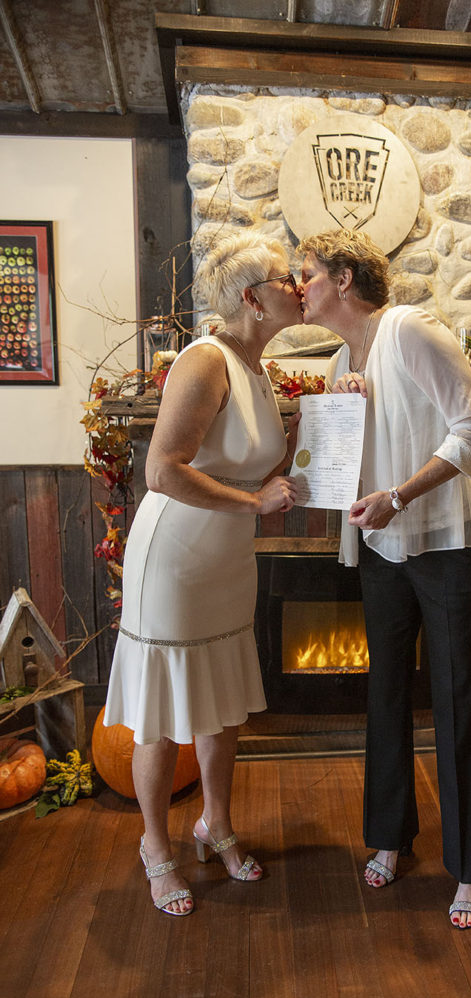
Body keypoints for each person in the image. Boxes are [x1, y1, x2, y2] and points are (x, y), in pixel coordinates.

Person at [297, 229, 471, 928]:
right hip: (381, 551)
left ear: (345, 279)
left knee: (458, 700)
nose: (301, 287)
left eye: (309, 274)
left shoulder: (410, 329)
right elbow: (328, 466)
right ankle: (389, 835)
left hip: (445, 544)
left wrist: (400, 496)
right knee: (385, 693)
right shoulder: (334, 361)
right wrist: (342, 404)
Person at [104, 229, 302, 916]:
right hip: (176, 562)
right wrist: (253, 500)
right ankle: (155, 847)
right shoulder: (206, 359)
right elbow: (162, 470)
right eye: (285, 277)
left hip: (226, 561)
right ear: (251, 298)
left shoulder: (258, 370)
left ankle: (215, 826)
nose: (299, 284)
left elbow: (253, 465)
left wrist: (331, 424)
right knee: (161, 716)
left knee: (221, 705)